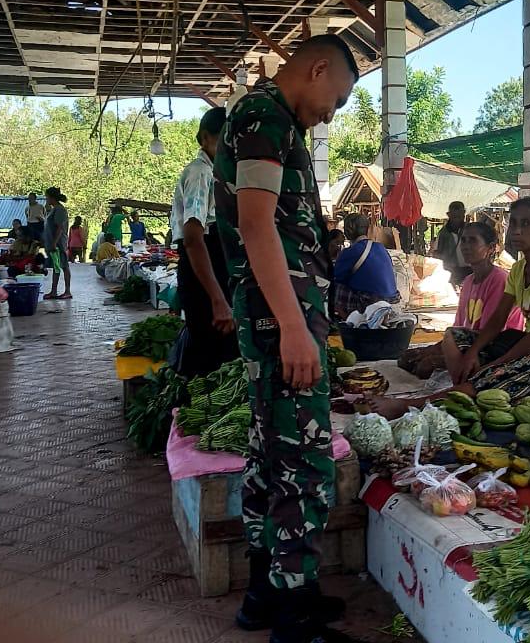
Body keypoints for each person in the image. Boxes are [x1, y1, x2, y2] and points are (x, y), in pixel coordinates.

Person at [213, 33, 358, 643]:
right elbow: (254, 225)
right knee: (305, 461)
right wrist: (295, 327)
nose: (333, 113)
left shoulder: (273, 123)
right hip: (281, 318)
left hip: (278, 315)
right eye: (338, 98)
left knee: (271, 453)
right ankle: (292, 622)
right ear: (317, 68)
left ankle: (265, 594)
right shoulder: (263, 117)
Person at [374, 198, 530, 417]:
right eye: (513, 223)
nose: (516, 231)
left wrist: (498, 362)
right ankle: (465, 387)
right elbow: (497, 319)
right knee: (454, 336)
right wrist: (473, 352)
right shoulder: (518, 269)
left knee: (495, 374)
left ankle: (409, 405)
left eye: (526, 224)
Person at [400, 221, 525, 379]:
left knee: (425, 365)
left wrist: (435, 359)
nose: (465, 246)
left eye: (473, 240)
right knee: (407, 359)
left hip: (497, 348)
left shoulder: (499, 280)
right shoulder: (468, 282)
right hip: (472, 344)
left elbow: (488, 333)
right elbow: (458, 330)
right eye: (463, 240)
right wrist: (428, 350)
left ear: (491, 248)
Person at [171, 106, 236, 377]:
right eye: (223, 138)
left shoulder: (217, 173)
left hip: (212, 265)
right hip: (204, 268)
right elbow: (193, 239)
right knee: (212, 361)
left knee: (220, 358)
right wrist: (218, 298)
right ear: (205, 138)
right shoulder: (200, 173)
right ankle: (192, 417)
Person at [331, 214, 401, 320]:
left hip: (370, 302)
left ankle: (346, 319)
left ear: (348, 230)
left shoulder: (350, 252)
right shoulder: (380, 247)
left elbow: (336, 276)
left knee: (334, 286)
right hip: (391, 300)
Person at [43, 187, 72, 300]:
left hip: (59, 243)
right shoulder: (54, 209)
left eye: (47, 197)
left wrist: (54, 242)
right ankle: (54, 291)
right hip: (53, 243)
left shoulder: (60, 209)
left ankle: (67, 291)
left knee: (63, 266)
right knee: (56, 266)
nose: (46, 199)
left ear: (52, 197)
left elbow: (60, 227)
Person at [432, 200, 469, 287]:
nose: (457, 219)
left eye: (459, 216)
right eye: (454, 216)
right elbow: (436, 253)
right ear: (448, 215)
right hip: (450, 272)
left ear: (464, 213)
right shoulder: (443, 234)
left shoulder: (470, 230)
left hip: (469, 270)